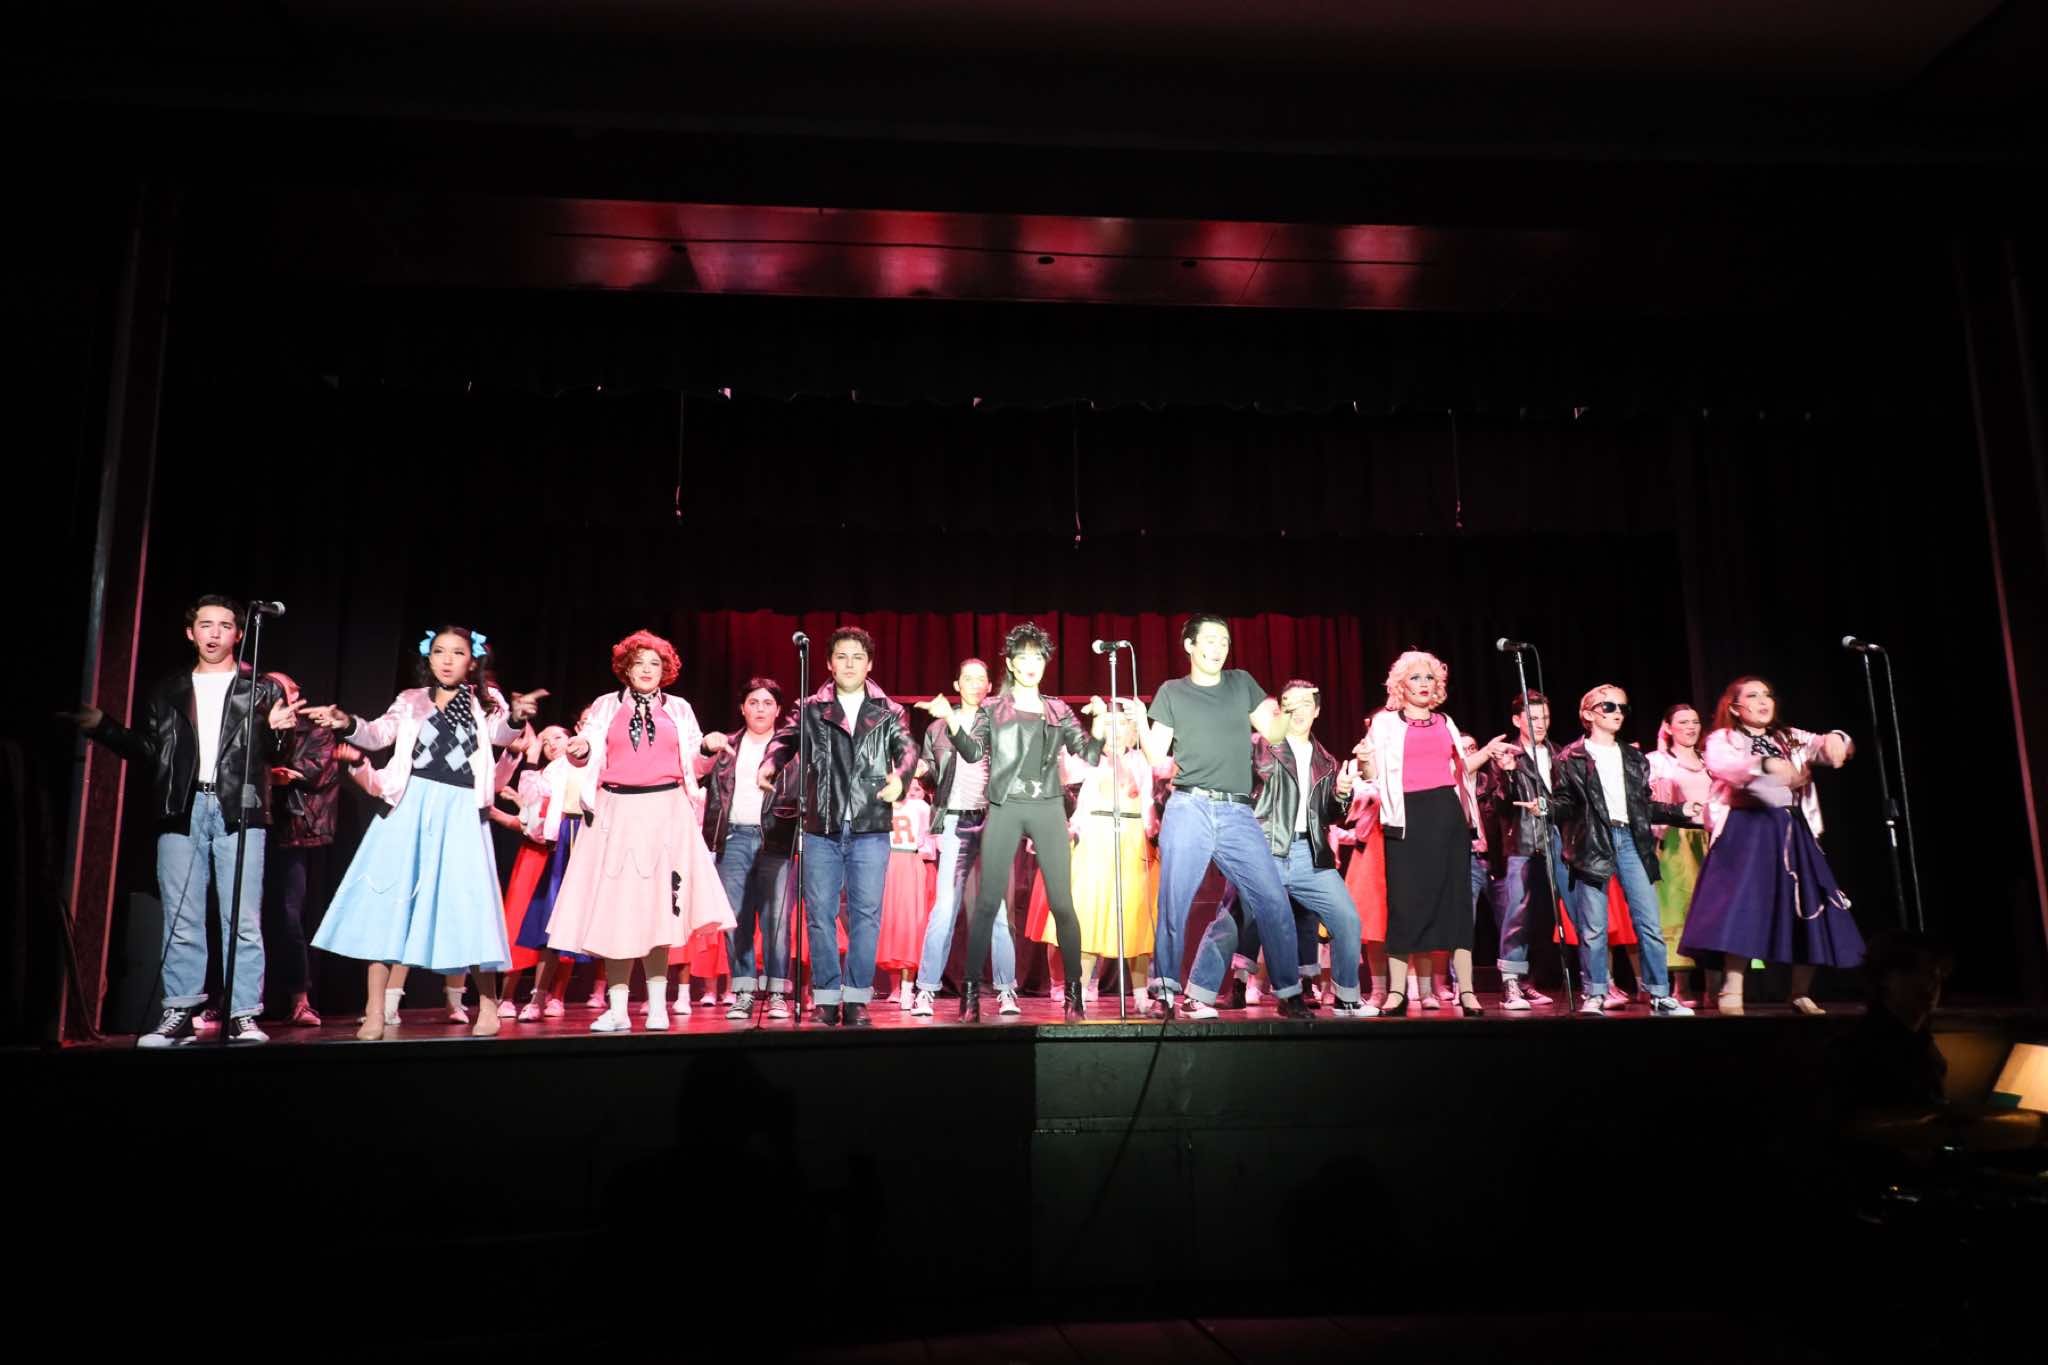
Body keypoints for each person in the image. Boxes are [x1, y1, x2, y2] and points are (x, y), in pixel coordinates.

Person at [65, 594, 301, 1045]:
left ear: (238, 634)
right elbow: (152, 752)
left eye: (224, 626)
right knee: (181, 916)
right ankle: (179, 1011)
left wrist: (277, 731)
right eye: (205, 625)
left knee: (242, 919)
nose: (214, 634)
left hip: (239, 808)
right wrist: (104, 727)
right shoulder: (168, 689)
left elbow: (275, 757)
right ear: (190, 633)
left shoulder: (261, 690)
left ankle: (243, 1013)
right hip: (182, 806)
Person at [304, 625, 542, 1039]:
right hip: (411, 804)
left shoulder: (486, 702)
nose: (447, 660)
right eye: (439, 652)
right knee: (387, 901)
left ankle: (487, 1003)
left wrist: (518, 717)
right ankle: (374, 1011)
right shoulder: (411, 700)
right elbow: (377, 734)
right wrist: (347, 723)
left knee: (470, 904)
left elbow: (502, 734)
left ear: (472, 661)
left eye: (457, 653)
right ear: (429, 659)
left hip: (462, 809)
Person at [542, 630, 735, 1033]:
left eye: (655, 664)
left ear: (665, 670)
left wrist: (707, 748)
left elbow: (694, 765)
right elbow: (587, 748)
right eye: (639, 663)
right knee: (617, 912)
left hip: (666, 812)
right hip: (616, 812)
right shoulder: (605, 705)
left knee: (660, 910)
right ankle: (617, 1008)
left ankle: (658, 1006)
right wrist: (580, 750)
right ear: (625, 669)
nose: (647, 670)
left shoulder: (679, 709)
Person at [1125, 613, 1312, 1020]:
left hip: (1237, 811)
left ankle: (1289, 992)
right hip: (1189, 806)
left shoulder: (1240, 683)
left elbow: (1274, 734)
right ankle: (1166, 992)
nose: (1218, 647)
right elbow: (1156, 756)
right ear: (1190, 646)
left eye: (1224, 641)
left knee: (1273, 898)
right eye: (1210, 639)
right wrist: (1140, 720)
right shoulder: (1172, 691)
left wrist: (1287, 709)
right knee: (1174, 901)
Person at [938, 622, 1109, 1022]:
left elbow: (1089, 756)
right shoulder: (992, 708)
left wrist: (1100, 726)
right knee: (987, 903)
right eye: (1023, 657)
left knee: (1063, 904)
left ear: (1045, 663)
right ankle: (969, 996)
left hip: (1047, 806)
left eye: (1038, 657)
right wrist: (951, 721)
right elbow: (971, 752)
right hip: (1006, 806)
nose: (1031, 664)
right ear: (1012, 665)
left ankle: (1073, 994)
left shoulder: (1058, 709)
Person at [758, 626, 918, 1027]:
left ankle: (858, 999)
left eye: (857, 657)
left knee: (866, 915)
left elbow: (907, 749)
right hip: (821, 824)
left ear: (870, 664)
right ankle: (827, 999)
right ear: (829, 664)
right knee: (819, 915)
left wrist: (900, 777)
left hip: (870, 824)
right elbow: (784, 740)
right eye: (842, 657)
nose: (849, 664)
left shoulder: (889, 709)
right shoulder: (811, 707)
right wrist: (771, 764)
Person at [1181, 680, 1369, 1017]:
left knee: (1346, 918)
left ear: (1317, 710)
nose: (1298, 711)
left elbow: (1329, 815)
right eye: (1290, 704)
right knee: (1234, 921)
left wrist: (1342, 793)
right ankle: (1198, 995)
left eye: (1305, 703)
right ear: (1281, 710)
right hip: (1261, 849)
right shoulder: (1260, 746)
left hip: (1308, 854)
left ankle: (1346, 998)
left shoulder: (1325, 760)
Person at [1680, 676, 1864, 1014]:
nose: (1763, 701)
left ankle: (1799, 992)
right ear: (1736, 708)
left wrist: (1839, 739)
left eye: (1767, 694)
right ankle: (1732, 989)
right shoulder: (1723, 739)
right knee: (1743, 906)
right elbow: (1726, 768)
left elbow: (1826, 746)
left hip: (1791, 828)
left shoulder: (1787, 737)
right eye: (1752, 695)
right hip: (1747, 829)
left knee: (1809, 903)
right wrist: (1765, 764)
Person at [1358, 650, 1511, 1016]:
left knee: (1456, 903)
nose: (1424, 684)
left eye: (1429, 677)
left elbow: (1460, 769)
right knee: (1405, 904)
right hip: (1406, 817)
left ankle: (1467, 992)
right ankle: (1397, 993)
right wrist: (1364, 759)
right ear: (1401, 685)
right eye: (1415, 678)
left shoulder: (1446, 722)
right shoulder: (1385, 724)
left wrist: (1488, 752)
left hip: (1446, 814)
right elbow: (1372, 775)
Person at [1541, 684, 1701, 1017]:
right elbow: (1566, 802)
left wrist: (1679, 811)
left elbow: (1643, 807)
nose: (1617, 713)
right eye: (1609, 706)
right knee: (1594, 926)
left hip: (1630, 840)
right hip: (1592, 842)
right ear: (1588, 714)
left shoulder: (1633, 757)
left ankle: (1660, 995)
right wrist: (1546, 807)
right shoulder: (1570, 757)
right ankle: (1595, 993)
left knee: (1649, 922)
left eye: (1622, 707)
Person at [911, 658, 1022, 1016]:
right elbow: (932, 777)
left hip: (991, 822)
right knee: (945, 908)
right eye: (967, 678)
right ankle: (926, 989)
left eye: (981, 679)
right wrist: (919, 769)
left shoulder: (999, 723)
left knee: (997, 911)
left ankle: (1006, 990)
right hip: (954, 822)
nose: (974, 684)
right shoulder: (937, 728)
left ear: (989, 686)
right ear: (956, 685)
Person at [697, 677, 802, 1021]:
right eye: (753, 702)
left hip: (776, 838)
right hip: (734, 838)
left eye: (768, 703)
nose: (760, 709)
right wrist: (704, 747)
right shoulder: (726, 746)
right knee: (737, 919)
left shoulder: (791, 749)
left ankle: (777, 993)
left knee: (776, 920)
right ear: (742, 708)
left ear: (778, 710)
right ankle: (743, 992)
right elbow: (693, 769)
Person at [264, 669, 342, 1027]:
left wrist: (273, 771)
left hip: (290, 831)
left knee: (288, 915)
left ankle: (300, 999)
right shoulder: (251, 724)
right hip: (247, 826)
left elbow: (314, 770)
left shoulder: (314, 729)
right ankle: (224, 998)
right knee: (235, 916)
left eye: (285, 690)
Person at [1479, 691, 1560, 1012]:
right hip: (1522, 842)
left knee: (1546, 915)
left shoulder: (1559, 753)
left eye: (1545, 718)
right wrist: (1510, 771)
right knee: (1518, 913)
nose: (1540, 724)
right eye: (1533, 718)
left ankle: (1529, 982)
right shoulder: (1507, 756)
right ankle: (1511, 982)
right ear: (1517, 720)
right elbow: (1500, 804)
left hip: (1558, 841)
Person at [1646, 703, 1715, 1004]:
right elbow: (1649, 804)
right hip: (1677, 839)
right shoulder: (1657, 761)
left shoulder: (1711, 759)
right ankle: (1681, 986)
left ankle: (1715, 985)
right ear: (1668, 727)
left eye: (1695, 722)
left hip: (1712, 838)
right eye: (1683, 722)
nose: (1690, 727)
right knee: (1678, 909)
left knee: (1714, 910)